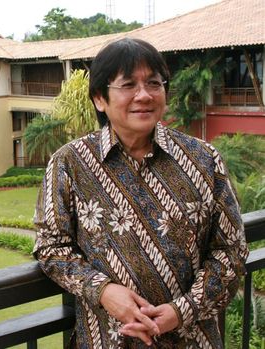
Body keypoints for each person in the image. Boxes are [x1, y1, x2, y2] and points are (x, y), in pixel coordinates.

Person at [33, 37, 248, 348]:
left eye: (154, 83)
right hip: (106, 339)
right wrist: (104, 291)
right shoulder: (70, 163)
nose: (144, 95)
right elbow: (52, 247)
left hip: (190, 339)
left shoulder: (203, 160)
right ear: (99, 98)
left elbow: (231, 251)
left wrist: (180, 311)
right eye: (128, 85)